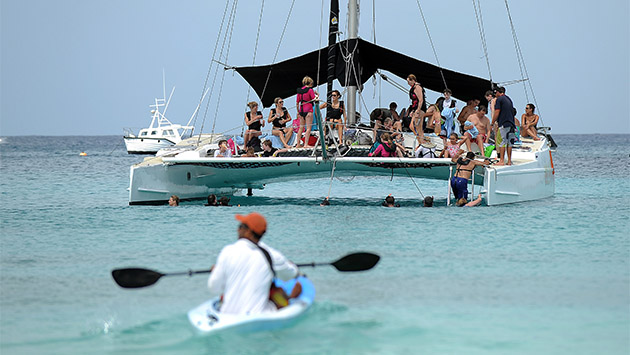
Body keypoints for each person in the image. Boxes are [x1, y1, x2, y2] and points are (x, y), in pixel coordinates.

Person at [207, 213, 299, 315]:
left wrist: (216, 271)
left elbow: (214, 288)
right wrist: (289, 264)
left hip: (227, 315)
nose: (238, 230)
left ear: (248, 232)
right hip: (258, 316)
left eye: (241, 227)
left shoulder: (227, 251)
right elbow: (291, 275)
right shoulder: (272, 255)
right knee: (279, 293)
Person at [491, 87, 516, 166]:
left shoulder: (499, 99)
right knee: (509, 143)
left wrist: (492, 123)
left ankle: (501, 161)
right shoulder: (509, 99)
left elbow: (497, 112)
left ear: (498, 92)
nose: (495, 95)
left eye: (495, 93)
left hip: (504, 124)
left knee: (501, 142)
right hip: (511, 124)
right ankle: (509, 161)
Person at [296, 76, 317, 148]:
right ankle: (305, 144)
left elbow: (297, 102)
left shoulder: (299, 91)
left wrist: (298, 112)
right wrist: (317, 95)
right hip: (308, 109)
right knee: (308, 128)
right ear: (310, 83)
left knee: (301, 128)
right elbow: (314, 99)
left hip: (301, 109)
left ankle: (298, 144)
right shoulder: (310, 90)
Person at [406, 74, 426, 143]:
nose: (408, 83)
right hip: (415, 108)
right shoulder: (413, 88)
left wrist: (417, 111)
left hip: (420, 109)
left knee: (417, 127)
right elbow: (414, 101)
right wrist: (413, 111)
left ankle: (421, 142)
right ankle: (421, 141)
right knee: (413, 126)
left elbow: (420, 100)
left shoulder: (417, 87)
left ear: (413, 80)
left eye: (409, 81)